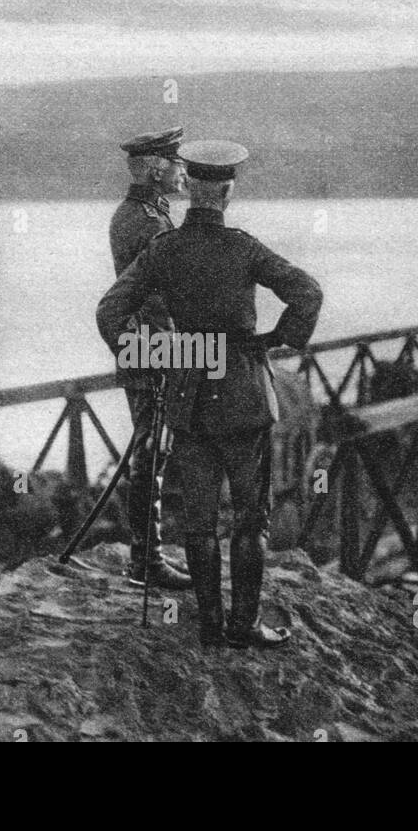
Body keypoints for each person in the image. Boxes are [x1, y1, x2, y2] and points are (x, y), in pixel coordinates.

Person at [97, 140, 323, 649]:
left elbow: (110, 311)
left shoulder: (163, 248)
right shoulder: (244, 247)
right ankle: (244, 625)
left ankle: (210, 627)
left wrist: (157, 356)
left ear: (192, 189)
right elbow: (308, 292)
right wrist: (279, 338)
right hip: (244, 393)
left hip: (189, 399)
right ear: (226, 191)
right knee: (250, 518)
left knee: (198, 523)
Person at [107, 127, 193, 590]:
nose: (183, 172)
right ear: (157, 168)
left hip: (148, 345)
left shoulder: (142, 214)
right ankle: (147, 559)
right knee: (151, 452)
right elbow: (159, 294)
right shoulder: (145, 221)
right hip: (152, 348)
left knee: (152, 450)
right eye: (177, 164)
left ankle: (147, 553)